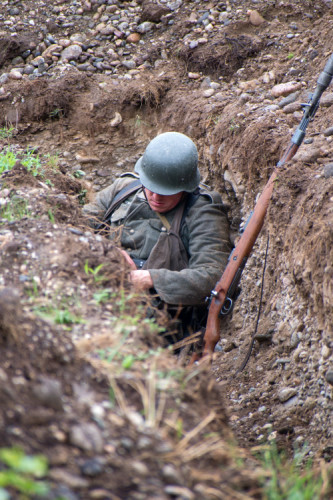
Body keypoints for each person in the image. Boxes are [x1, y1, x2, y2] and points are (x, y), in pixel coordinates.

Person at [83, 131, 231, 343]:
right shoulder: (123, 189)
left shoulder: (202, 211)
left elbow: (212, 276)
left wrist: (148, 278)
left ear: (185, 186)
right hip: (98, 292)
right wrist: (107, 251)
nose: (156, 196)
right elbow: (75, 223)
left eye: (167, 191)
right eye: (151, 187)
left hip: (156, 319)